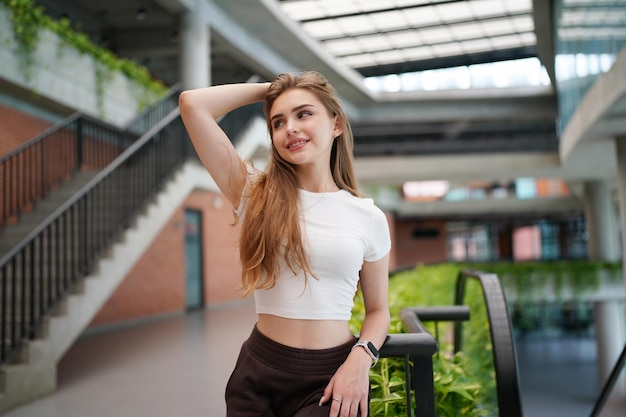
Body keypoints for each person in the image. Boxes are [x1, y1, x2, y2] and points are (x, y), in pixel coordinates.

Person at [179, 71, 391, 417]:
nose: (289, 127)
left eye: (304, 113)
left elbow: (379, 311)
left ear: (336, 124)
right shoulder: (254, 194)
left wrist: (361, 358)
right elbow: (193, 104)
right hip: (258, 372)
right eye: (278, 122)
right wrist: (275, 89)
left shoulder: (368, 217)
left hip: (330, 380)